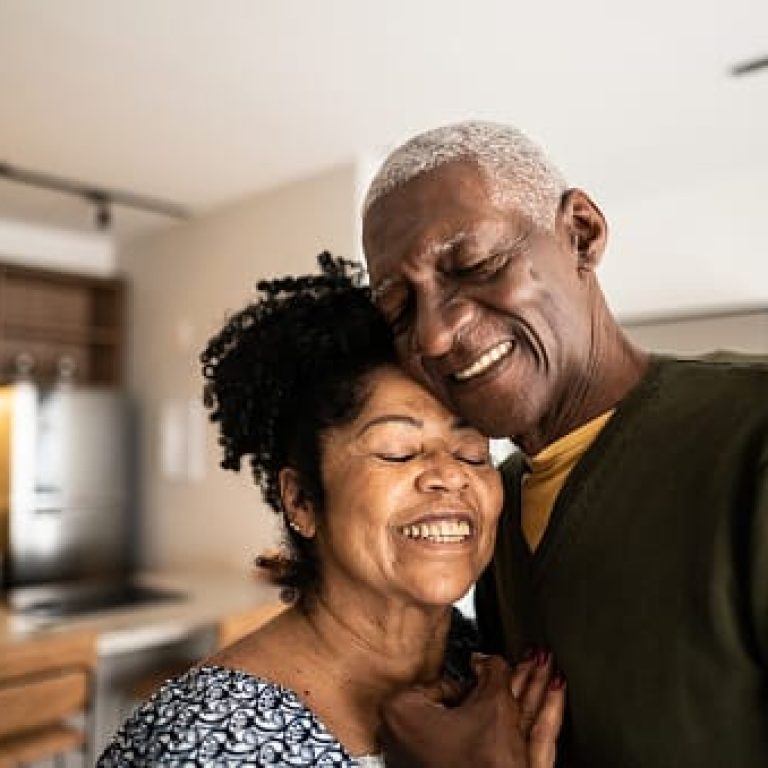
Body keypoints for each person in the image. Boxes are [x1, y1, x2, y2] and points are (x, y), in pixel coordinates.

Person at [362, 121, 768, 767]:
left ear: (580, 232)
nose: (435, 335)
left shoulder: (750, 436)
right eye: (400, 309)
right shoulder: (496, 508)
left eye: (475, 265)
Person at [97, 253, 564, 767]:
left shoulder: (498, 679)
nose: (450, 474)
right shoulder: (196, 745)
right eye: (398, 450)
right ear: (301, 500)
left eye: (473, 452)